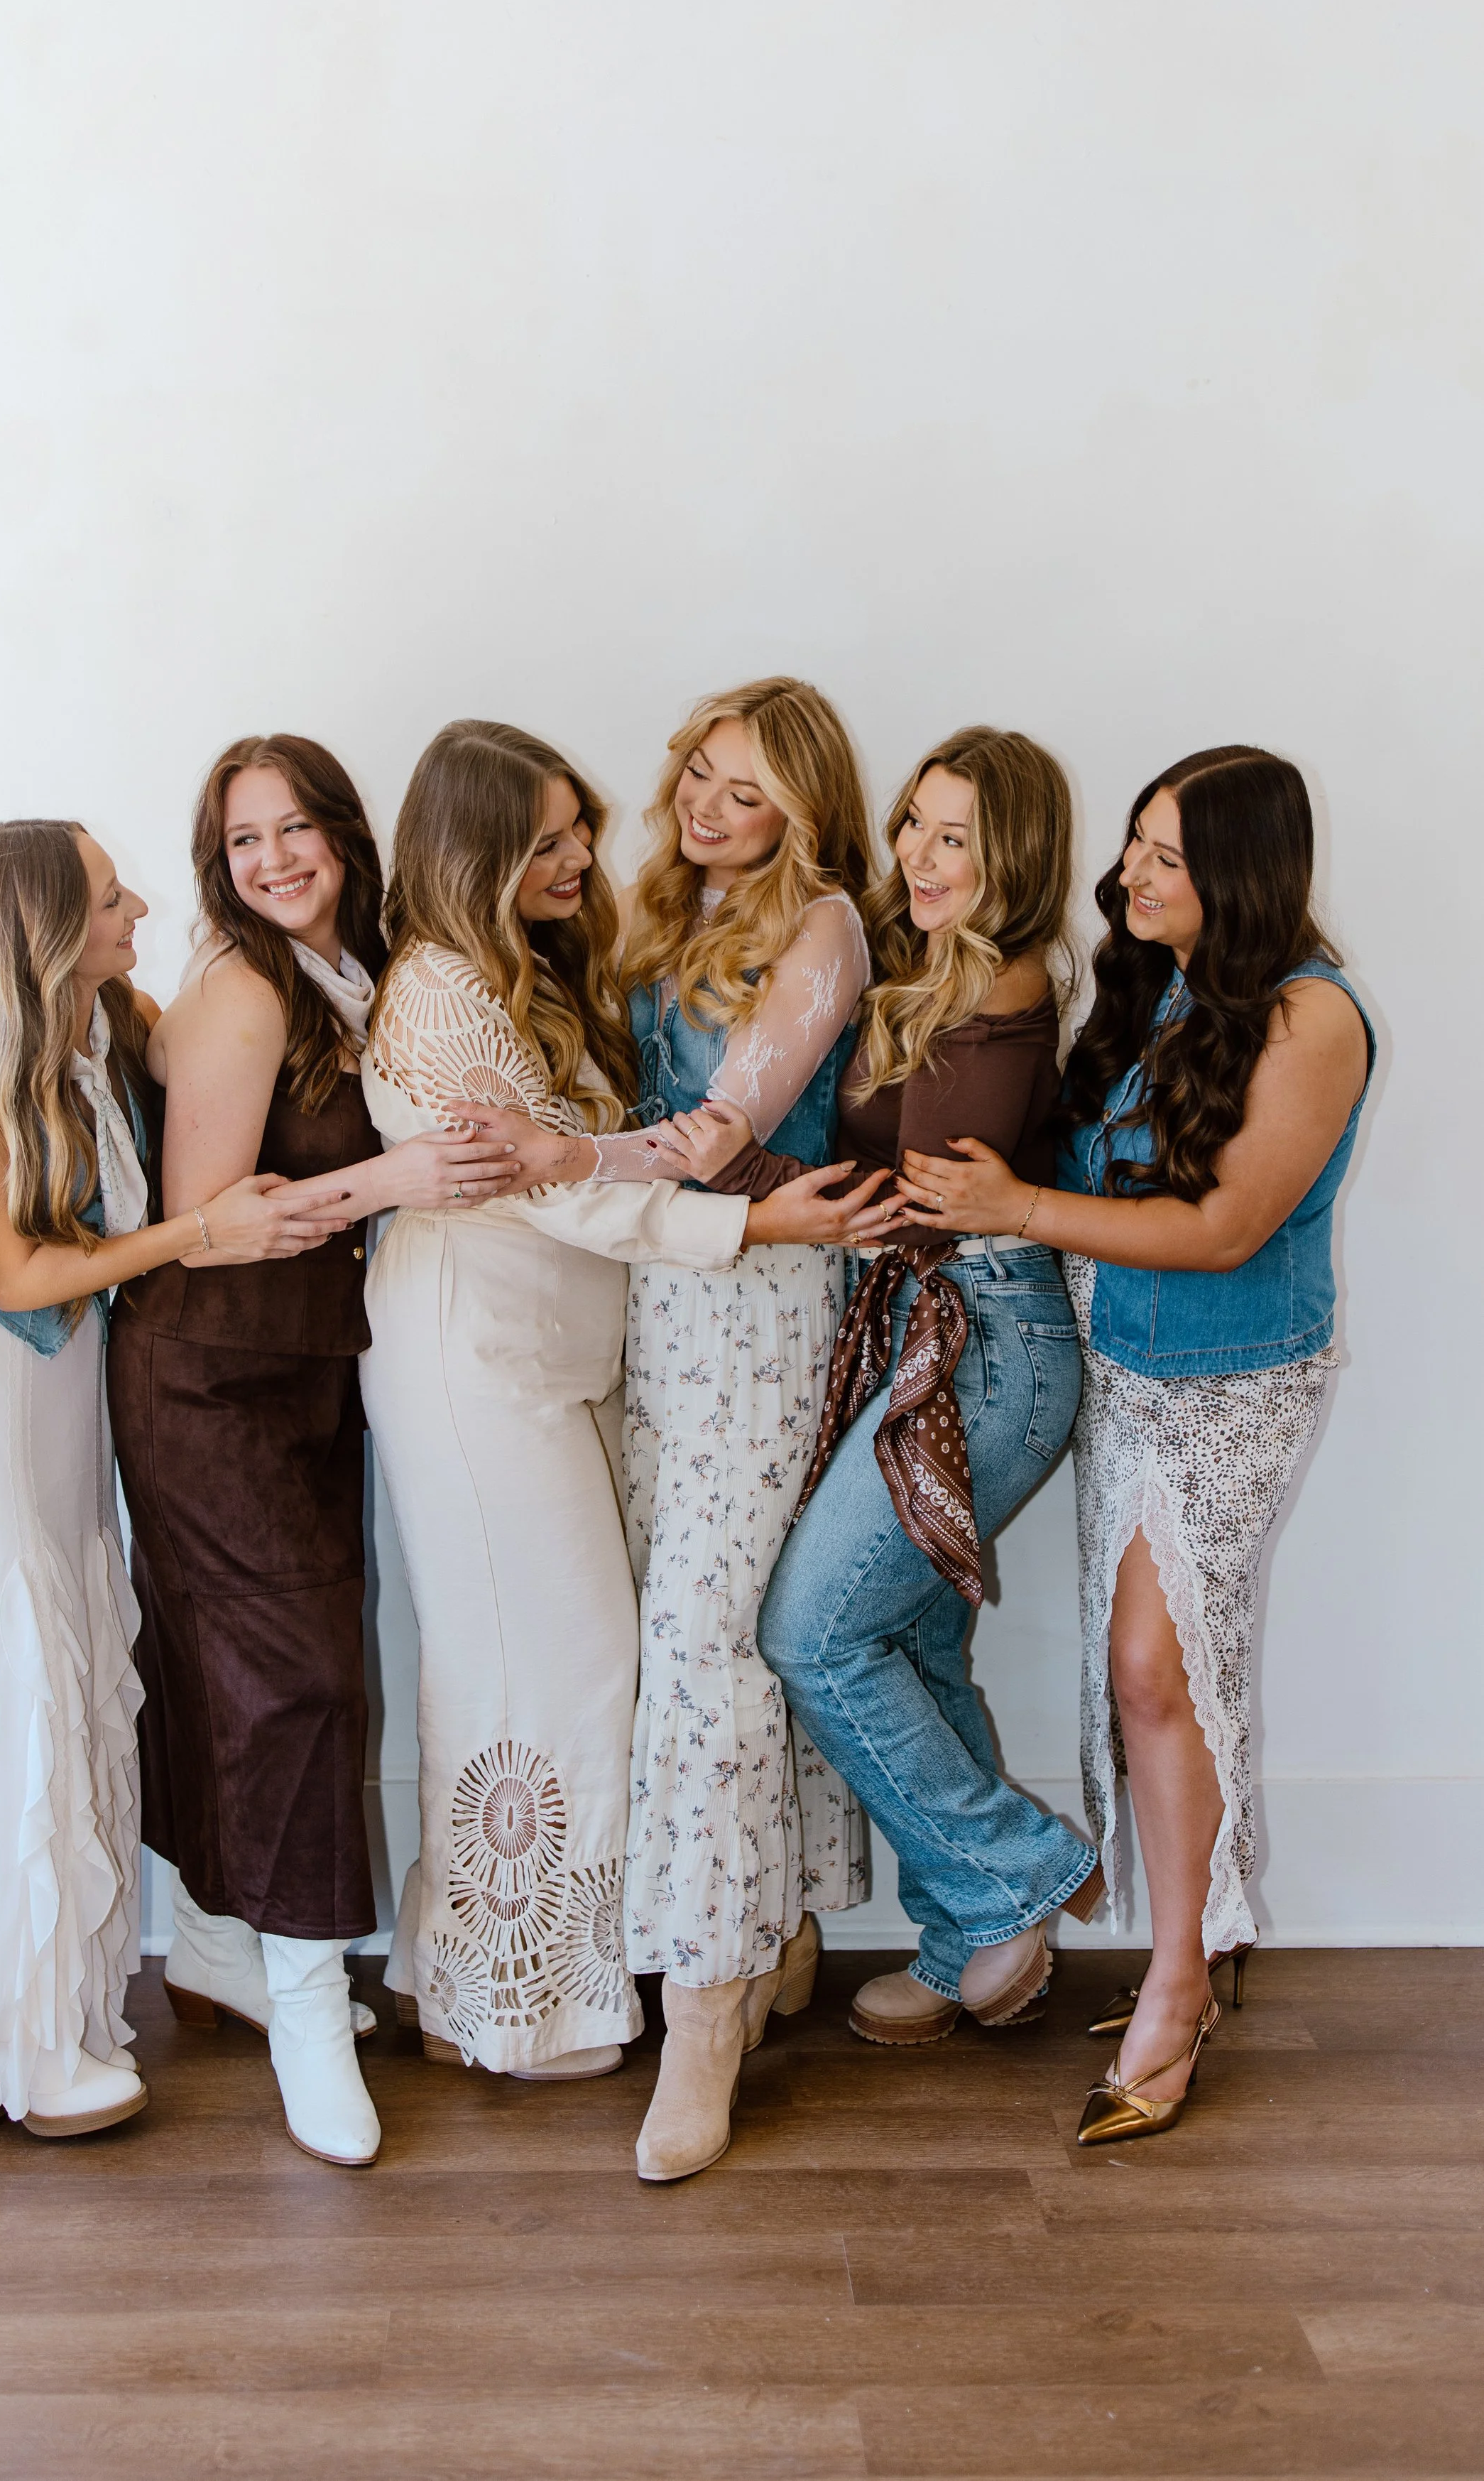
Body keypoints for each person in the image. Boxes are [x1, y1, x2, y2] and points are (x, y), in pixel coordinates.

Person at [359, 720, 879, 2094]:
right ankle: (518, 2004)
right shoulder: (441, 993)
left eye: (580, 826)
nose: (584, 854)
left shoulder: (520, 966)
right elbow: (555, 1189)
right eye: (547, 840)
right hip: (477, 1355)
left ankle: (481, 1977)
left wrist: (658, 1181)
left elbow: (600, 1150)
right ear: (478, 854)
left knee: (559, 1667)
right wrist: (753, 1224)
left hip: (570, 1353)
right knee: (547, 1667)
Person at [896, 747, 1372, 2143]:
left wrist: (1017, 1210)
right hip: (1123, 1370)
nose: (1130, 876)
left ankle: (1176, 1983)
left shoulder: (1313, 1016)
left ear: (1243, 871)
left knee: (1160, 1665)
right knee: (1144, 1670)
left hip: (1230, 1385)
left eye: (1167, 857)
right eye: (1136, 846)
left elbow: (1222, 1229)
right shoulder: (1160, 986)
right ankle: (1192, 1950)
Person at [0, 820, 323, 2138]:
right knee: (8, 1693)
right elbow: (20, 1275)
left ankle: (30, 2016)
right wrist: (201, 1228)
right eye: (112, 899)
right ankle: (16, 2036)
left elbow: (200, 1051)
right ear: (49, 928)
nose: (138, 909)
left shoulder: (104, 1024)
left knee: (59, 1673)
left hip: (54, 1403)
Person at [109, 736, 522, 2168]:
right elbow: (211, 1221)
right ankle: (300, 2006)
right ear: (218, 865)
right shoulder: (242, 988)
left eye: (294, 829)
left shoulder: (355, 972)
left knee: (248, 1668)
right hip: (208, 1376)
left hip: (303, 1376)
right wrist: (393, 1178)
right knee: (300, 1683)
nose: (274, 859)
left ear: (343, 834)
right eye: (243, 841)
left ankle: (217, 1944)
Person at [676, 729, 1103, 2049]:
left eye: (954, 836)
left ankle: (1015, 1868)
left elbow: (913, 1198)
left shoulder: (1003, 975)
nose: (917, 853)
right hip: (930, 1330)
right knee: (908, 1642)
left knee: (812, 1633)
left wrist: (740, 1174)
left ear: (1011, 856)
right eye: (915, 821)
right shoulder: (917, 958)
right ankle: (972, 1938)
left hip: (993, 1341)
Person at [606, 678, 882, 2183]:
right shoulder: (660, 908)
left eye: (749, 790)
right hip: (656, 1297)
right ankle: (778, 1924)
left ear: (803, 812)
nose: (709, 807)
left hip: (761, 1302)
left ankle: (703, 2009)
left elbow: (717, 1138)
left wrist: (545, 1157)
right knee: (690, 1632)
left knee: (706, 1647)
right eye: (701, 774)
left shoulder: (821, 924)